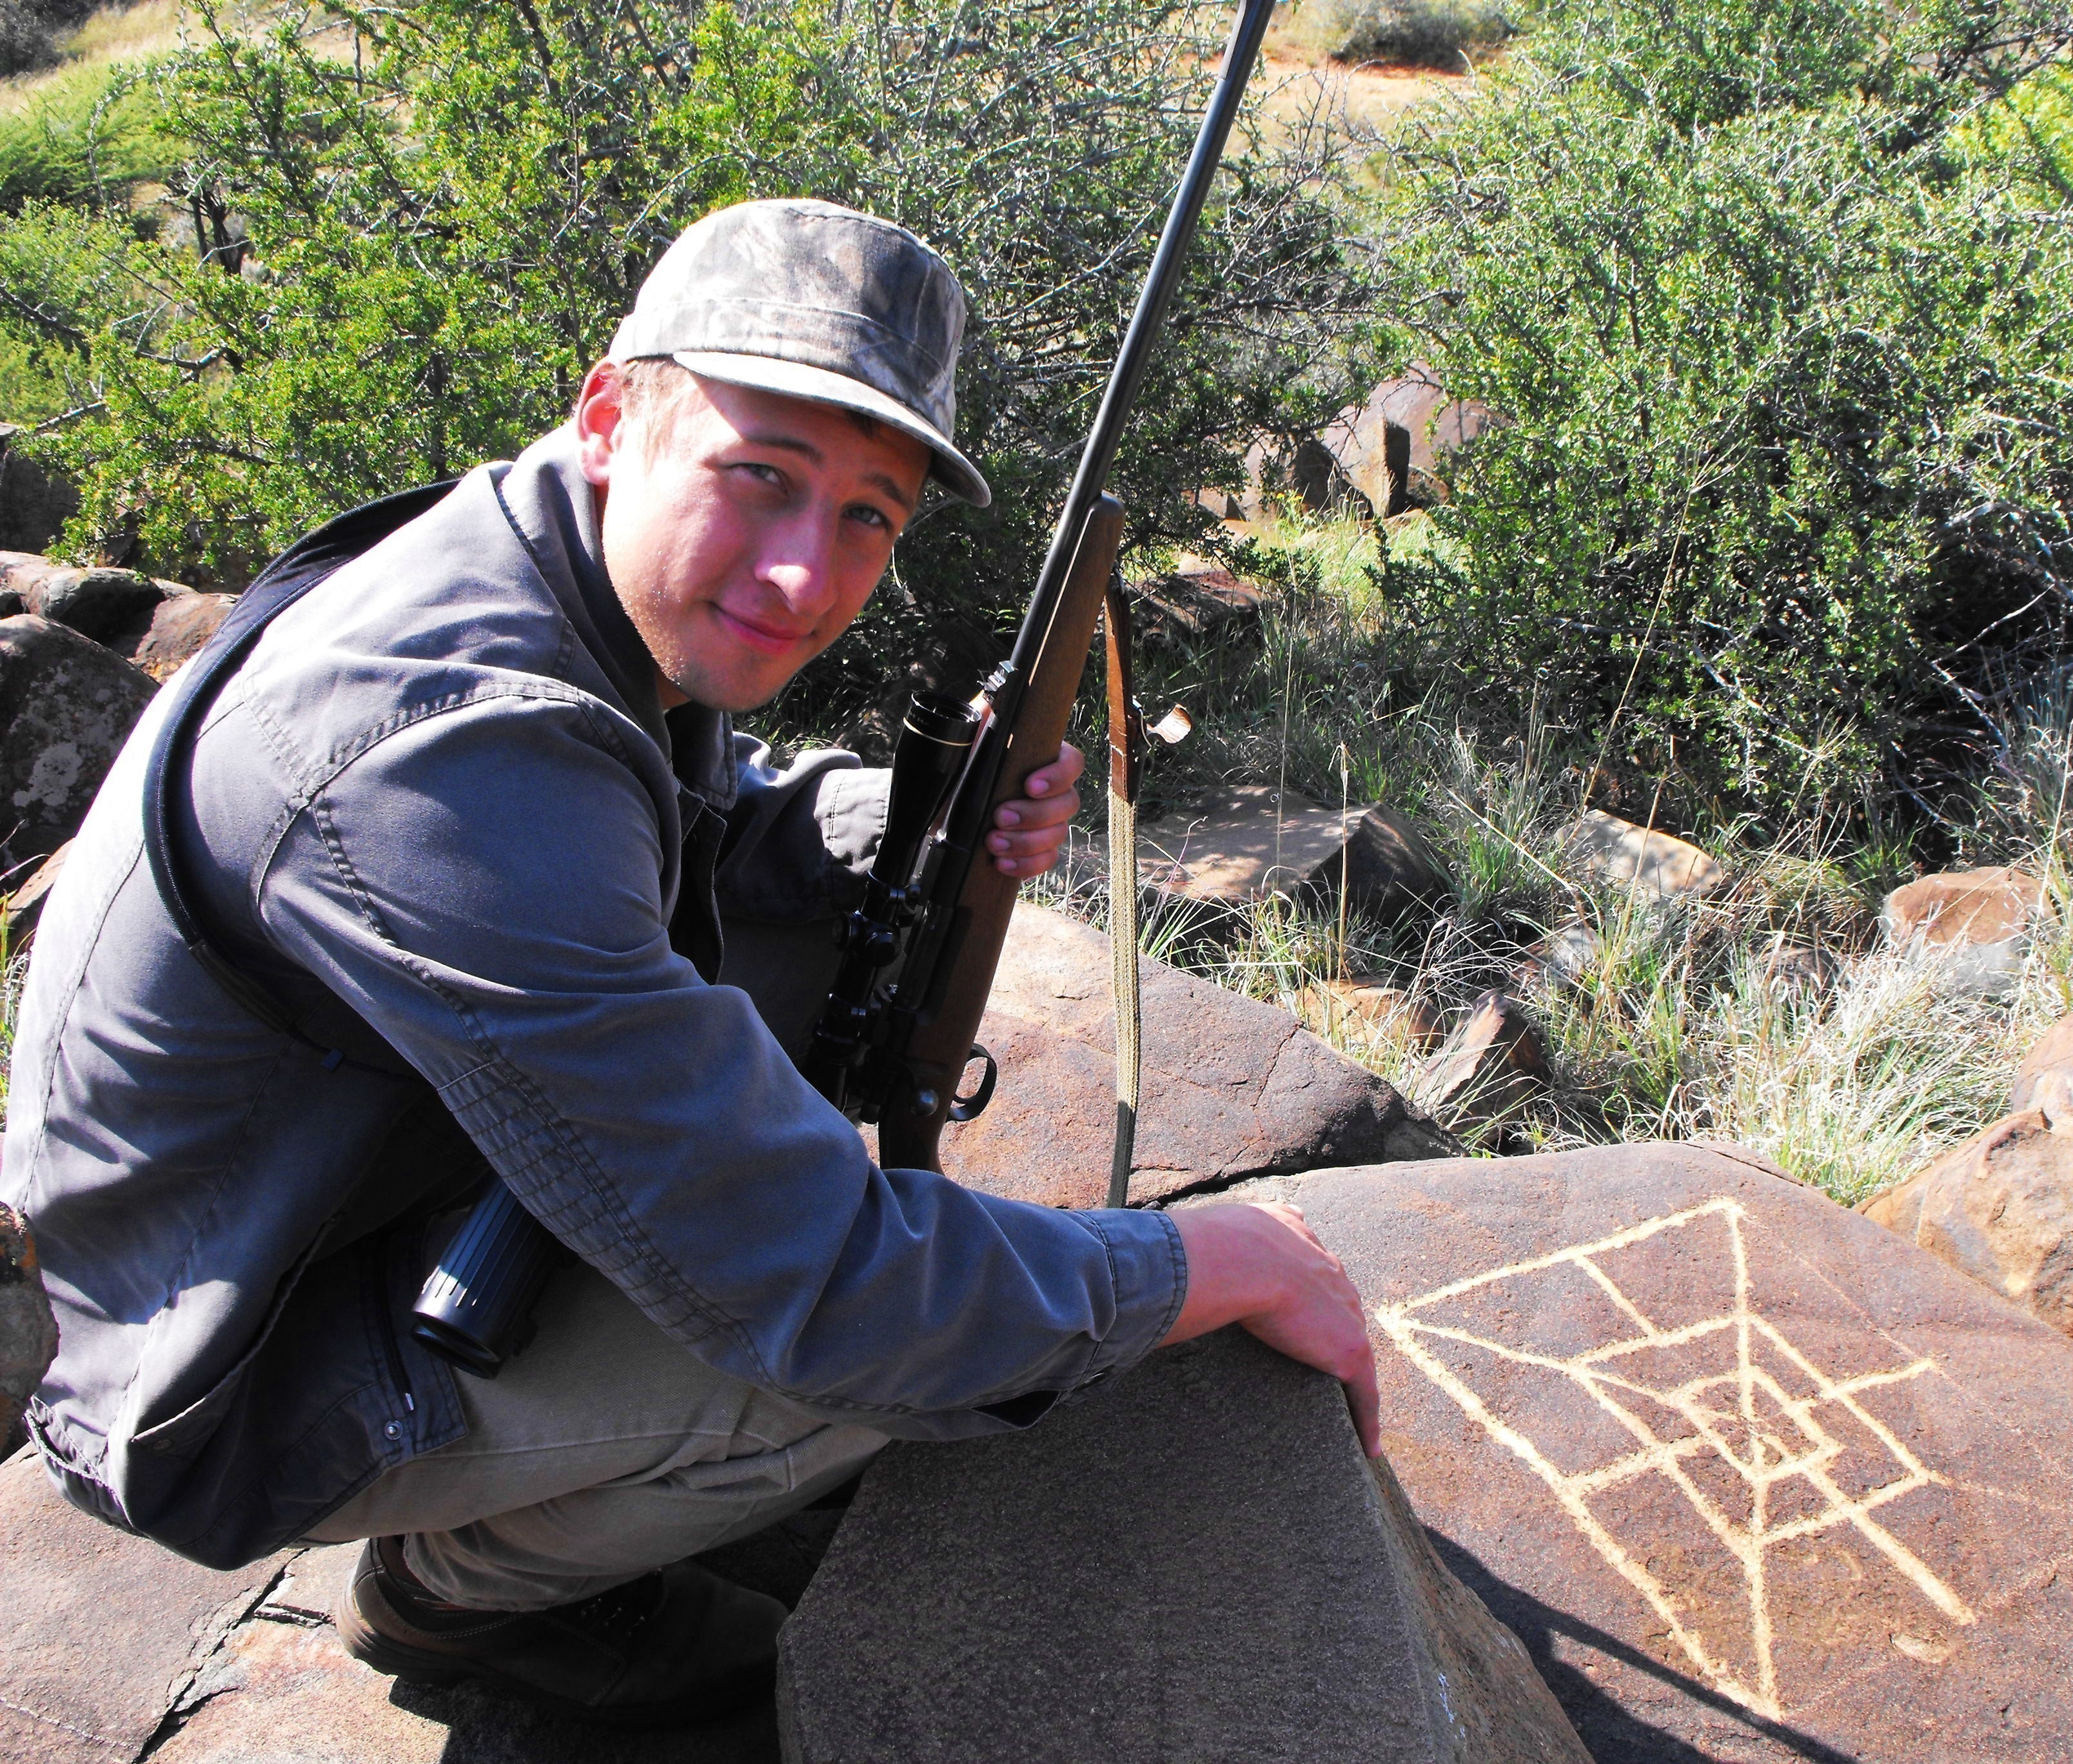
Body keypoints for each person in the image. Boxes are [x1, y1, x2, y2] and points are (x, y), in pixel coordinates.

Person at [1, 199, 1379, 1727]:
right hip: (227, 1368)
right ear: (611, 415)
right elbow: (823, 1284)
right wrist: (1198, 1266)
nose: (806, 576)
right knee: (834, 1374)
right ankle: (449, 1594)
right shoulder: (436, 759)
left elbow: (674, 801)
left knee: (837, 1000)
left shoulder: (536, 558)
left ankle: (557, 1432)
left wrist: (913, 816)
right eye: (761, 478)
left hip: (329, 1182)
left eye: (869, 515)